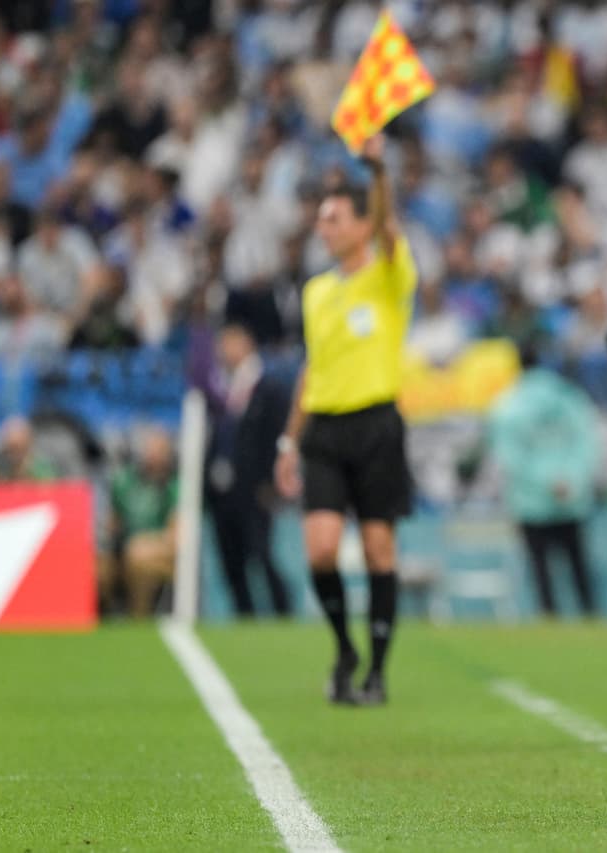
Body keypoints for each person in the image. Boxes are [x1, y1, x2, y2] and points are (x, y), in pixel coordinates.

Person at [274, 134, 416, 706]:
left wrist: (378, 171)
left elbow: (388, 228)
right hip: (326, 432)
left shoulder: (386, 274)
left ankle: (377, 670)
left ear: (361, 224)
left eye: (334, 218)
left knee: (380, 552)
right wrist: (289, 441)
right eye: (320, 219)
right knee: (322, 551)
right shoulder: (316, 292)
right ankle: (344, 647)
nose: (323, 228)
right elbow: (313, 368)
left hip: (377, 426)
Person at [487, 348, 599, 618]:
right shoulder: (570, 397)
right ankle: (591, 619)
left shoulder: (508, 404)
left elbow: (509, 457)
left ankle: (549, 619)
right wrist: (569, 481)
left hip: (531, 503)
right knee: (579, 568)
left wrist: (544, 483)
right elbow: (588, 443)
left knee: (541, 572)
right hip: (571, 498)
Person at [207, 320, 292, 618]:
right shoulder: (221, 389)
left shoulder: (269, 388)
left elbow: (278, 434)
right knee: (231, 558)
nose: (223, 350)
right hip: (223, 491)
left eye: (230, 342)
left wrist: (271, 480)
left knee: (262, 555)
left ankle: (283, 610)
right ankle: (245, 615)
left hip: (255, 489)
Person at [105, 427, 179, 617]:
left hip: (155, 552)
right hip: (122, 549)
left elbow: (176, 536)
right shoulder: (126, 481)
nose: (152, 457)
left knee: (137, 556)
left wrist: (144, 543)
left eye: (158, 452)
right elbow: (112, 523)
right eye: (149, 450)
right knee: (99, 569)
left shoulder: (173, 486)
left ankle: (139, 617)